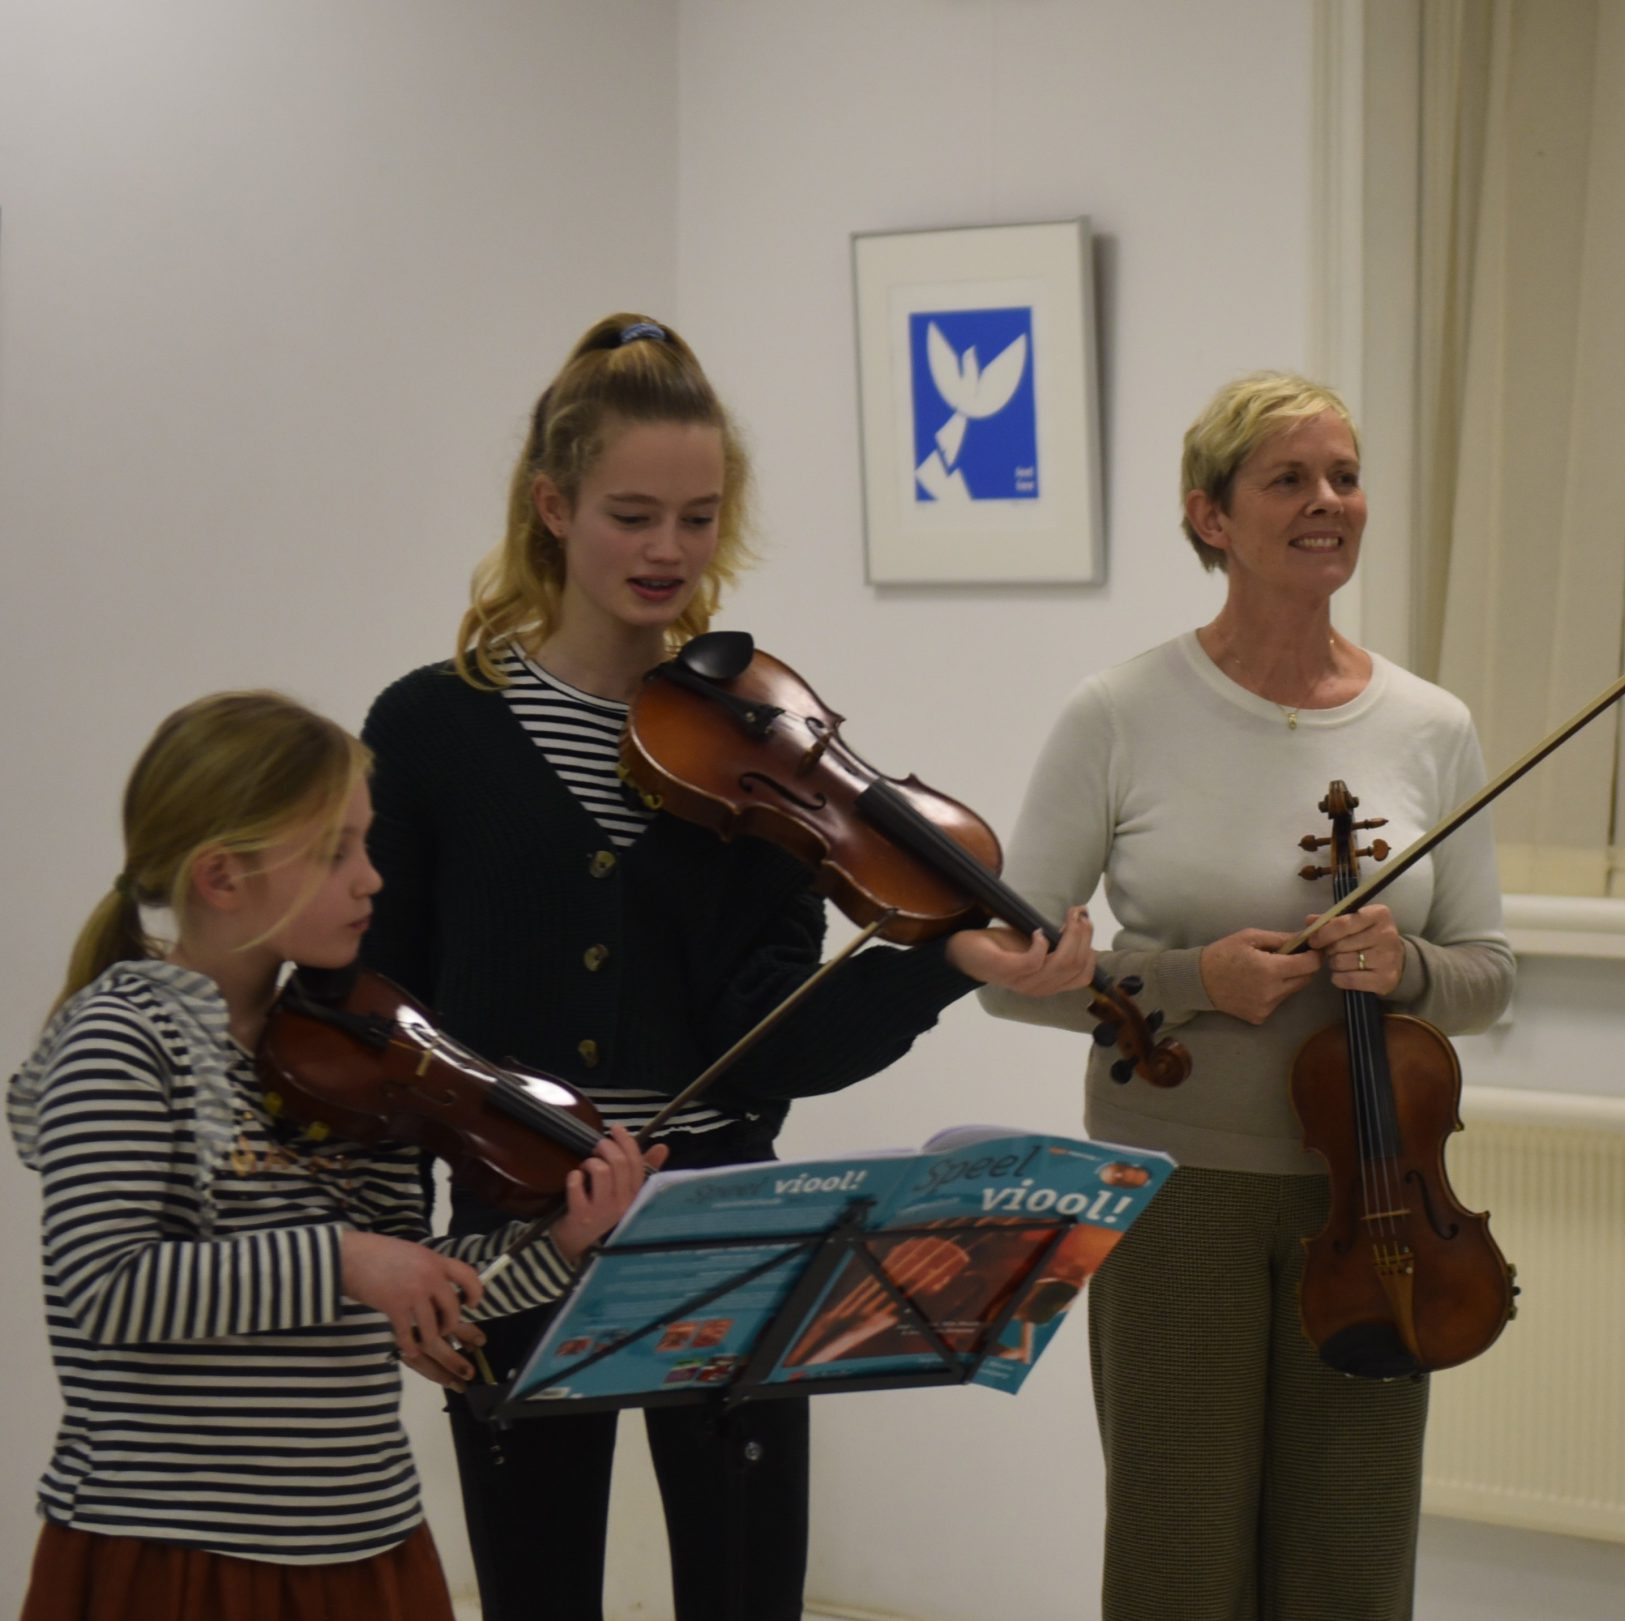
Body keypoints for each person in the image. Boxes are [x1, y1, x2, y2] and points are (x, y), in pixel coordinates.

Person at [360, 315, 1093, 1621]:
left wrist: (945, 959)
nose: (668, 551)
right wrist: (398, 1243)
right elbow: (384, 1008)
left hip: (726, 1216)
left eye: (698, 519)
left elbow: (778, 1038)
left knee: (748, 1593)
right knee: (534, 1593)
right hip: (515, 1223)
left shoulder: (759, 743)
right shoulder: (431, 729)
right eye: (633, 515)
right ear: (552, 506)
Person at [980, 372, 1516, 1620]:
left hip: (1379, 1202)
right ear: (1210, 516)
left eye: (1344, 476)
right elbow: (1011, 971)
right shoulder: (1119, 713)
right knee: (1179, 1562)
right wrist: (1190, 979)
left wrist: (1407, 967)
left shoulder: (1430, 725)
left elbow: (1488, 974)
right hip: (1177, 1194)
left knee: (1350, 1568)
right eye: (1288, 479)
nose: (1328, 501)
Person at [10, 691, 656, 1621]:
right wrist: (344, 1260)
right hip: (179, 1545)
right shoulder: (123, 1039)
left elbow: (415, 1279)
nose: (372, 879)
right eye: (334, 852)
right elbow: (107, 1288)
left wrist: (561, 1246)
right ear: (221, 876)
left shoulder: (356, 1057)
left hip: (361, 1532)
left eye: (366, 844)